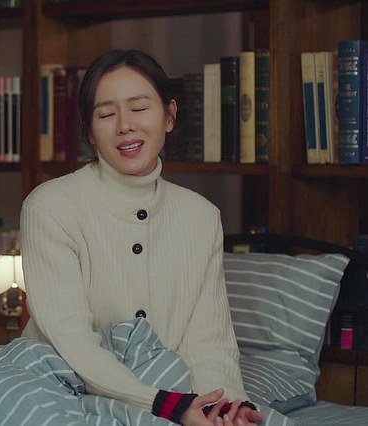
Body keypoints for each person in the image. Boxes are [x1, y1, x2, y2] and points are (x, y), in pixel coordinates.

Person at [20, 49, 264, 426]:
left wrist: (225, 409)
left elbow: (208, 341)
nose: (125, 126)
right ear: (89, 131)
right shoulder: (50, 206)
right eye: (106, 114)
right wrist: (165, 404)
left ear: (169, 115)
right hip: (55, 391)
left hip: (169, 397)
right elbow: (72, 342)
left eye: (139, 108)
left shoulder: (200, 216)